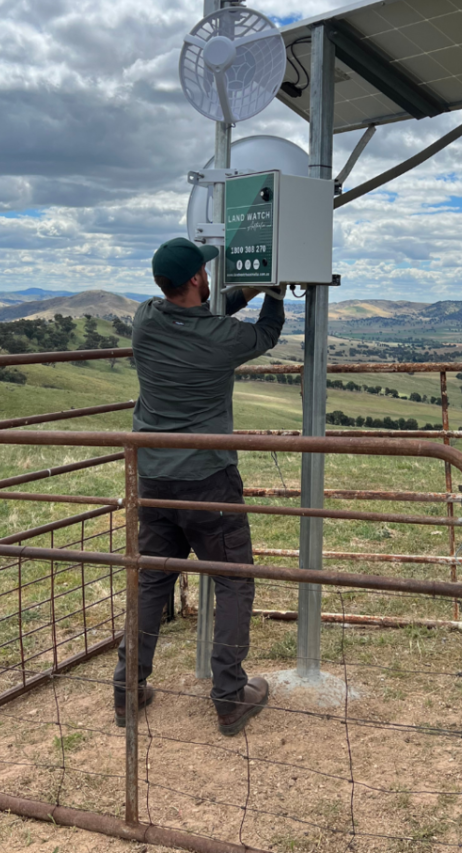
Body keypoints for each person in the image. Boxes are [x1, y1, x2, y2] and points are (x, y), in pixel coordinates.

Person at [113, 237, 285, 736]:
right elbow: (266, 335)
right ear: (195, 280)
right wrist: (272, 293)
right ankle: (229, 696)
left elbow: (208, 312)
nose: (210, 278)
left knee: (150, 580)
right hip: (209, 479)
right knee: (232, 579)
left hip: (153, 476)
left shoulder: (145, 320)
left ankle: (128, 689)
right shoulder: (222, 339)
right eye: (204, 272)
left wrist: (247, 292)